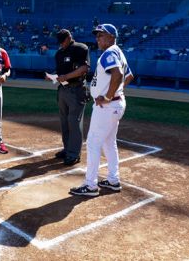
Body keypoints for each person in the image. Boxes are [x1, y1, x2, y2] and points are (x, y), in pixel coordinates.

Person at [70, 24, 133, 196]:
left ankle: (90, 185)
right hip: (115, 104)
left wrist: (108, 96)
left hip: (107, 106)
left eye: (101, 35)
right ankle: (113, 180)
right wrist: (115, 93)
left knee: (93, 143)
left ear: (112, 37)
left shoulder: (110, 52)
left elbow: (119, 74)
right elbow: (129, 76)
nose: (98, 38)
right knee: (109, 143)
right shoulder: (118, 52)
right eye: (97, 36)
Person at [47, 29, 90, 165]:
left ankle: (74, 154)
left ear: (69, 37)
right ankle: (67, 149)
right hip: (63, 90)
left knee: (74, 122)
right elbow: (60, 73)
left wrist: (66, 77)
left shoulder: (80, 48)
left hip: (77, 90)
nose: (61, 44)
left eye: (63, 41)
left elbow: (84, 69)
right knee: (64, 122)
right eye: (59, 42)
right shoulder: (59, 54)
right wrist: (53, 76)